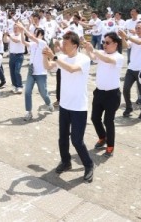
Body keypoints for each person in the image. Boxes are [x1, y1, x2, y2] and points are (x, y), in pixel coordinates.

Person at [43, 31, 94, 182]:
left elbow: (71, 69)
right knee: (63, 138)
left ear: (75, 45)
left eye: (65, 43)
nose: (62, 46)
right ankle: (66, 162)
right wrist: (44, 55)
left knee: (77, 140)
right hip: (65, 105)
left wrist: (55, 57)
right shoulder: (62, 58)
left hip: (78, 106)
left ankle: (89, 164)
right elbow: (48, 66)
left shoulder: (83, 59)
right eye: (62, 43)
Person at [83, 32, 123, 158]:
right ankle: (102, 137)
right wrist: (87, 49)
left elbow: (107, 60)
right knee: (95, 118)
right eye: (104, 42)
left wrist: (94, 50)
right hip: (99, 92)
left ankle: (110, 146)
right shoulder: (101, 53)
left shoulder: (118, 57)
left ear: (115, 44)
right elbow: (92, 57)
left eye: (107, 42)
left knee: (108, 121)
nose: (105, 45)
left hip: (112, 95)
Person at [119, 21, 141, 120]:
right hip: (131, 68)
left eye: (139, 28)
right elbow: (126, 46)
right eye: (136, 28)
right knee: (125, 89)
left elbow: (140, 43)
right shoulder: (134, 38)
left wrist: (127, 36)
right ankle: (129, 107)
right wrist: (122, 37)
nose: (137, 30)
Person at [19, 26, 53, 121]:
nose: (34, 35)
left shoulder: (43, 43)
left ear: (41, 35)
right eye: (35, 33)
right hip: (31, 72)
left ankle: (48, 103)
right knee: (27, 92)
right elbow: (23, 42)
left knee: (43, 92)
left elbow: (31, 37)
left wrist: (23, 28)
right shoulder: (33, 44)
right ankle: (28, 112)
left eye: (37, 33)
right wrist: (22, 32)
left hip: (41, 73)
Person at [7, 23, 26, 94]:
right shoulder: (11, 34)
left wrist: (9, 36)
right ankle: (14, 85)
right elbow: (5, 41)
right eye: (14, 28)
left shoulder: (22, 35)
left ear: (19, 28)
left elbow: (16, 41)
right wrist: (5, 35)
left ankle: (19, 86)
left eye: (16, 28)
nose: (15, 29)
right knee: (12, 71)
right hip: (12, 55)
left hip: (19, 56)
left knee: (17, 71)